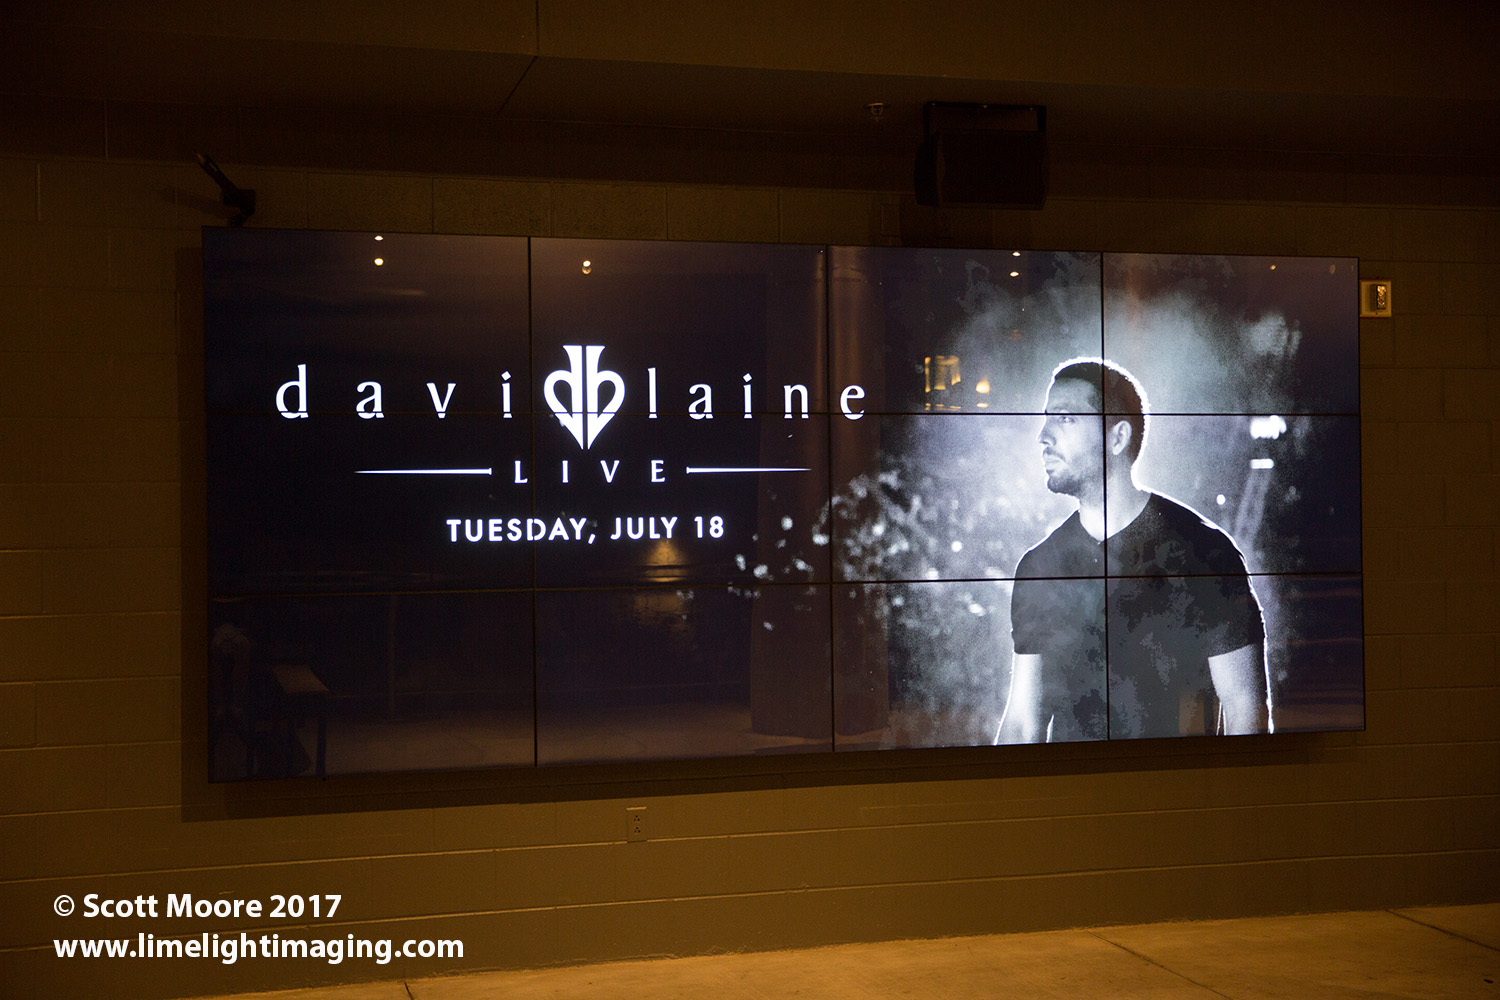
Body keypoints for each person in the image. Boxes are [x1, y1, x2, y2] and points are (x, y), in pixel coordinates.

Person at [995, 359, 1271, 743]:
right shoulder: (1039, 567)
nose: (1043, 436)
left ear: (1118, 437)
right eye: (1046, 420)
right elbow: (1023, 722)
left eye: (1065, 418)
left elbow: (1246, 711)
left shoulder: (1205, 552)